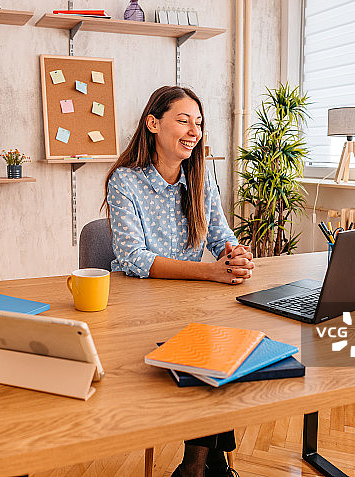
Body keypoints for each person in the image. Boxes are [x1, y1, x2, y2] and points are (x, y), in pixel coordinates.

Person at [103, 85, 254, 477]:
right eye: (183, 120)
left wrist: (235, 255)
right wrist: (210, 271)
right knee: (210, 358)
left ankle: (197, 467)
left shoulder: (201, 176)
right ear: (153, 124)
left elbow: (222, 236)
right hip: (139, 311)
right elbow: (134, 259)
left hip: (191, 307)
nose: (193, 131)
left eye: (199, 123)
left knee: (223, 354)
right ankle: (203, 466)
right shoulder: (125, 180)